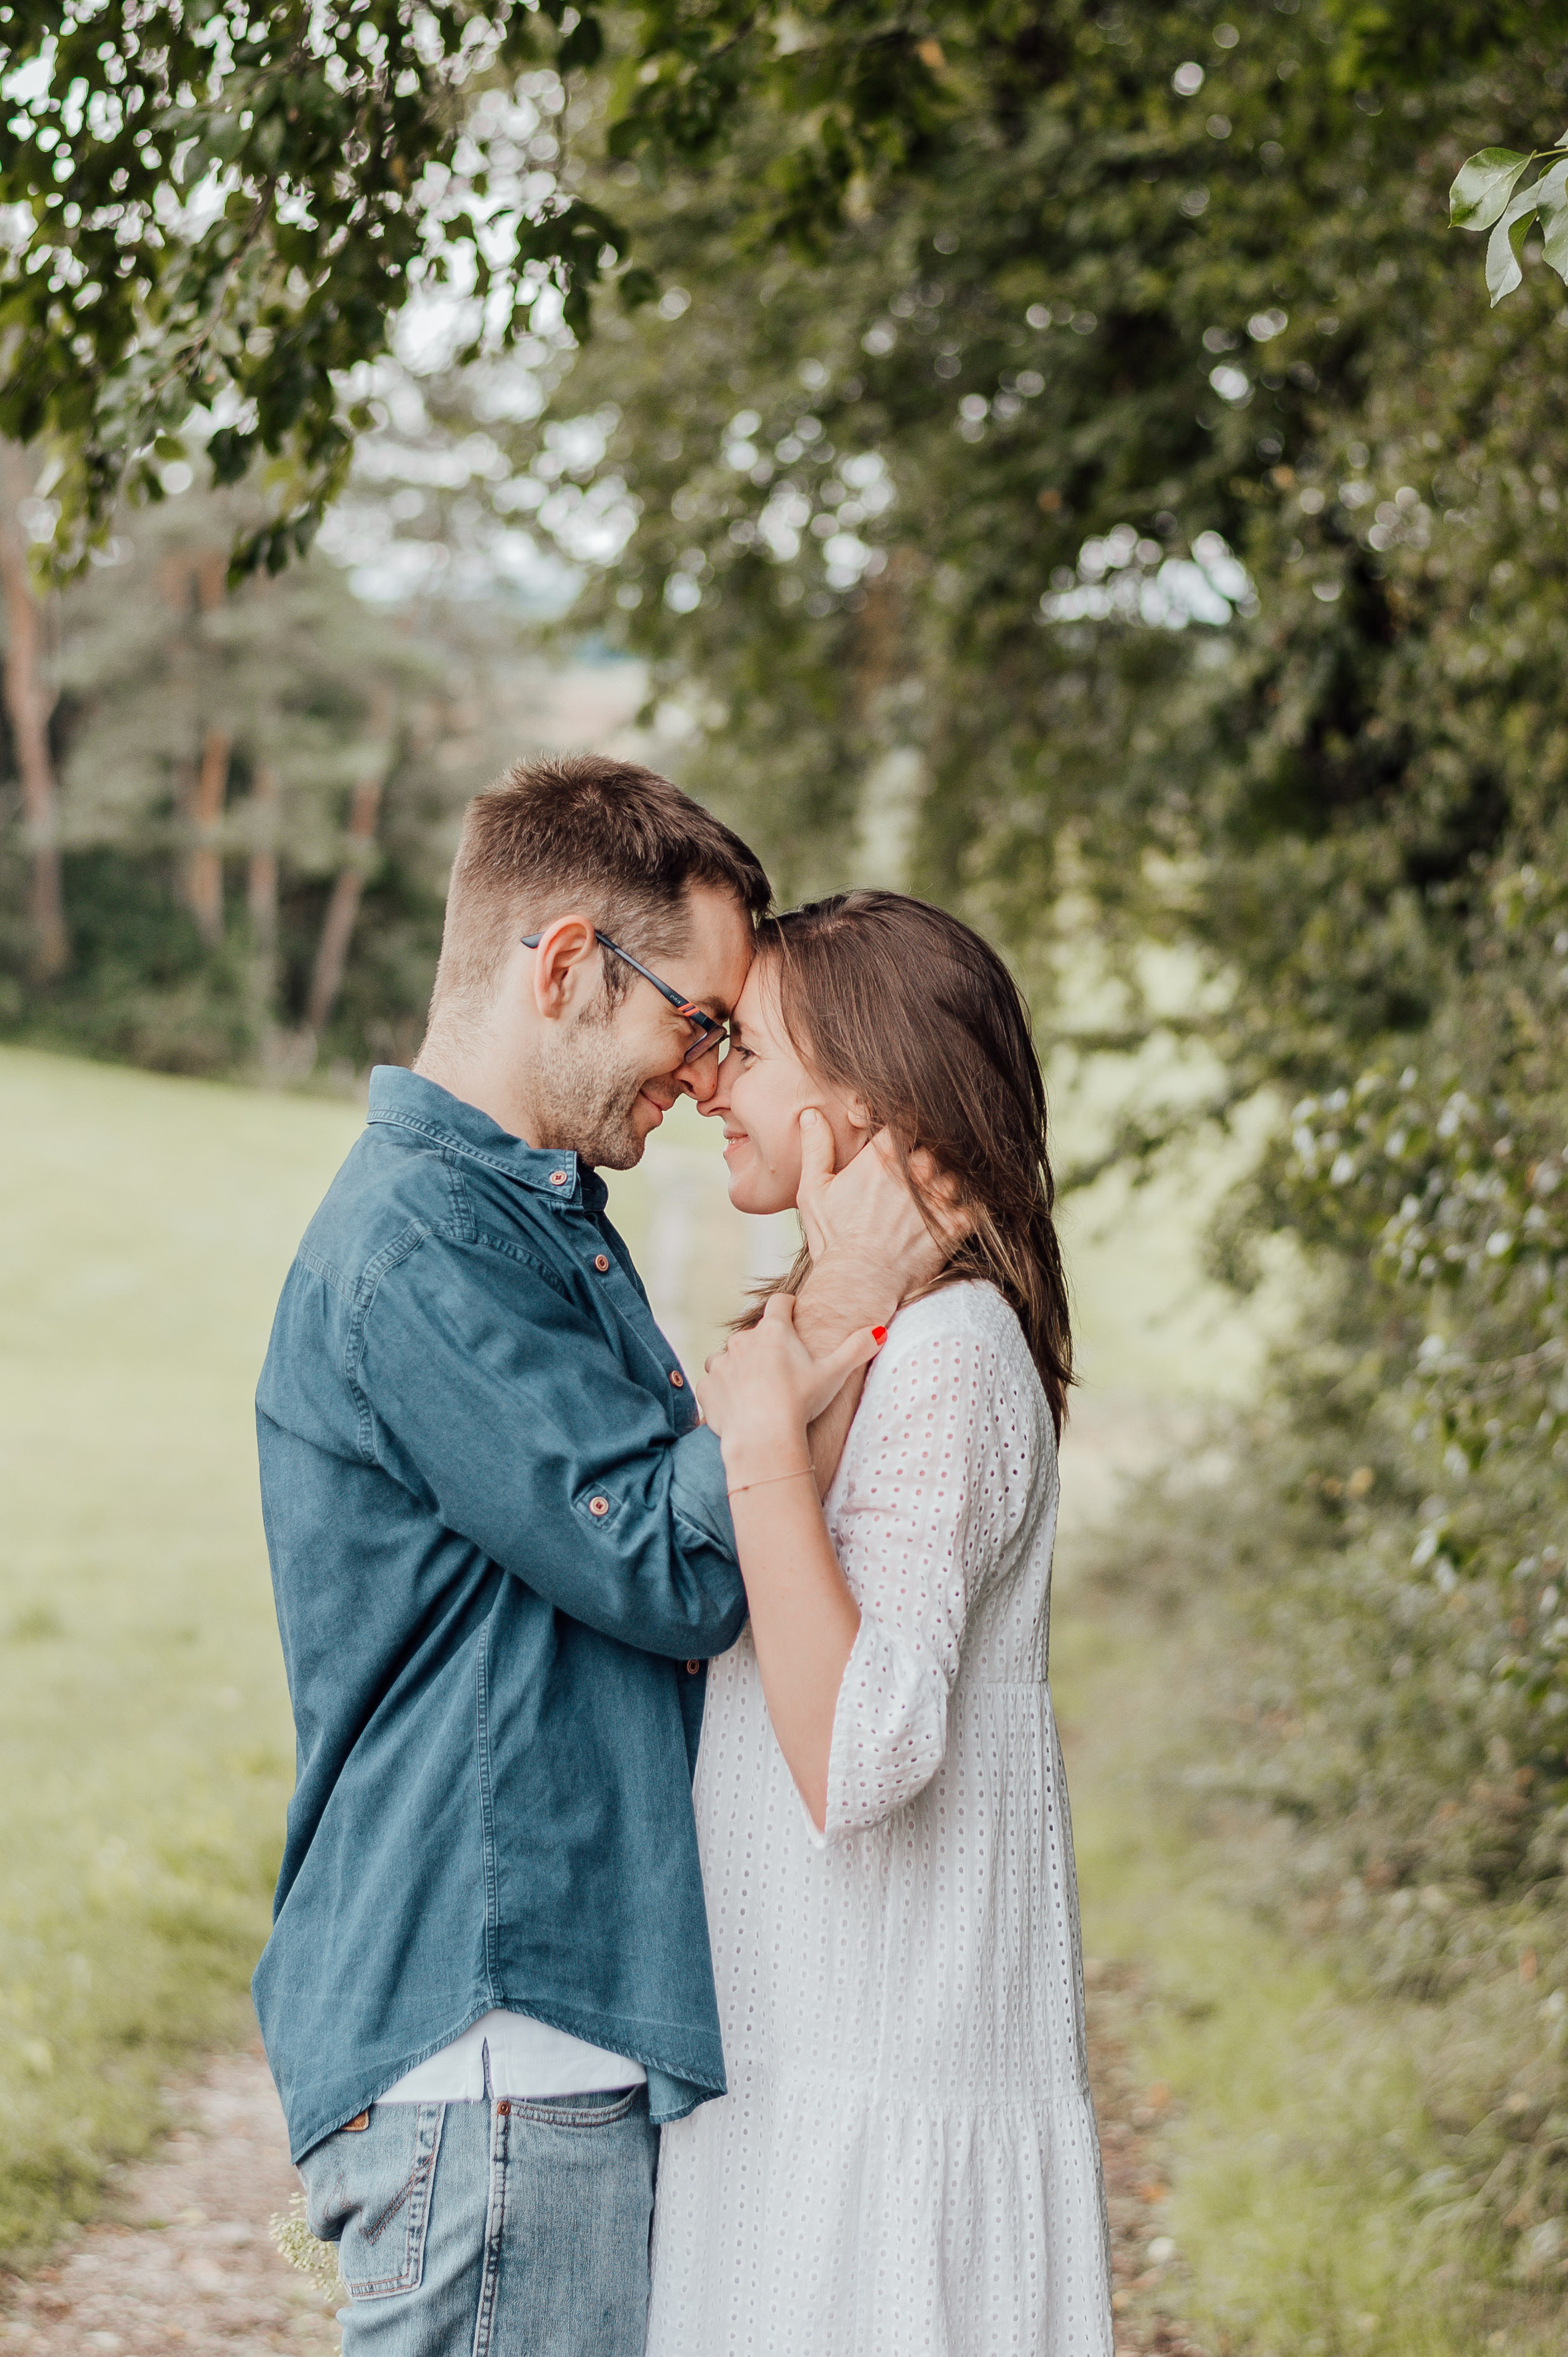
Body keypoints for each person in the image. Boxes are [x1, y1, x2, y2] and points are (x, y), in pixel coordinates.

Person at [253, 760, 939, 2357]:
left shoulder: (531, 1217)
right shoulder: (428, 1246)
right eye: (695, 1019)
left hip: (532, 2037)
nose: (707, 1074)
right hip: (494, 2031)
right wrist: (836, 1312)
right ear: (562, 966)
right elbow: (673, 1568)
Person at [646, 890, 1113, 2357]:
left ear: (862, 1103)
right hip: (791, 2082)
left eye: (751, 1048)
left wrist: (765, 1446)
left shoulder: (955, 1360)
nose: (709, 1078)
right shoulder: (866, 1335)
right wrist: (828, 1308)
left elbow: (858, 1753)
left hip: (875, 2108)